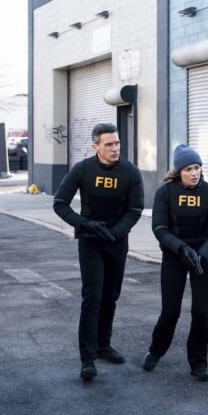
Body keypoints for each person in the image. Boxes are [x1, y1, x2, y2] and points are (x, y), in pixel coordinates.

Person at [53, 123, 144, 381]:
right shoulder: (82, 170)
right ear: (95, 147)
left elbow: (135, 209)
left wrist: (117, 231)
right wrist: (85, 224)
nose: (115, 148)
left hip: (117, 241)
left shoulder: (130, 172)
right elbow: (60, 204)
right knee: (92, 297)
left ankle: (104, 346)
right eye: (109, 144)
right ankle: (87, 358)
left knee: (110, 297)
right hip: (90, 241)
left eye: (117, 143)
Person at [143, 145, 208, 381]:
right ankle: (156, 350)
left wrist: (202, 254)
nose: (194, 172)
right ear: (179, 171)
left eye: (197, 167)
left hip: (202, 258)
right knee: (170, 312)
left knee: (201, 312)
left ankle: (199, 362)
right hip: (174, 257)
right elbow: (159, 228)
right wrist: (181, 248)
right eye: (188, 168)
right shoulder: (165, 192)